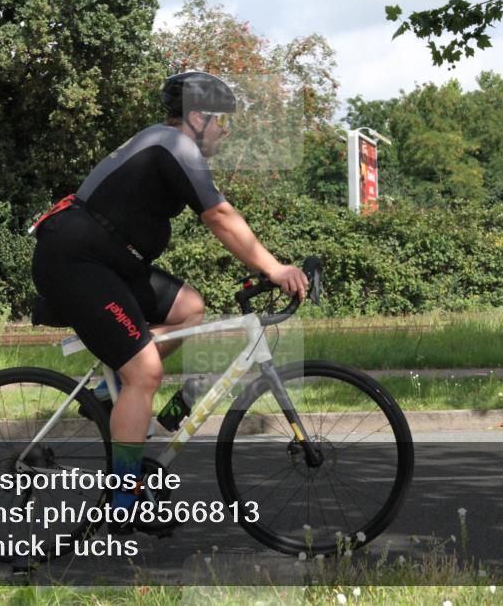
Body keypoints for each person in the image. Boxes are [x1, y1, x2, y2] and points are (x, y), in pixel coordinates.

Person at [30, 71, 308, 532]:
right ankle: (123, 499)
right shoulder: (175, 145)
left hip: (109, 260)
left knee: (189, 308)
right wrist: (275, 268)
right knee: (144, 372)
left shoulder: (169, 144)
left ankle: (109, 396)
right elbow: (220, 216)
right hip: (76, 261)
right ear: (196, 118)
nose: (223, 130)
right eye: (220, 120)